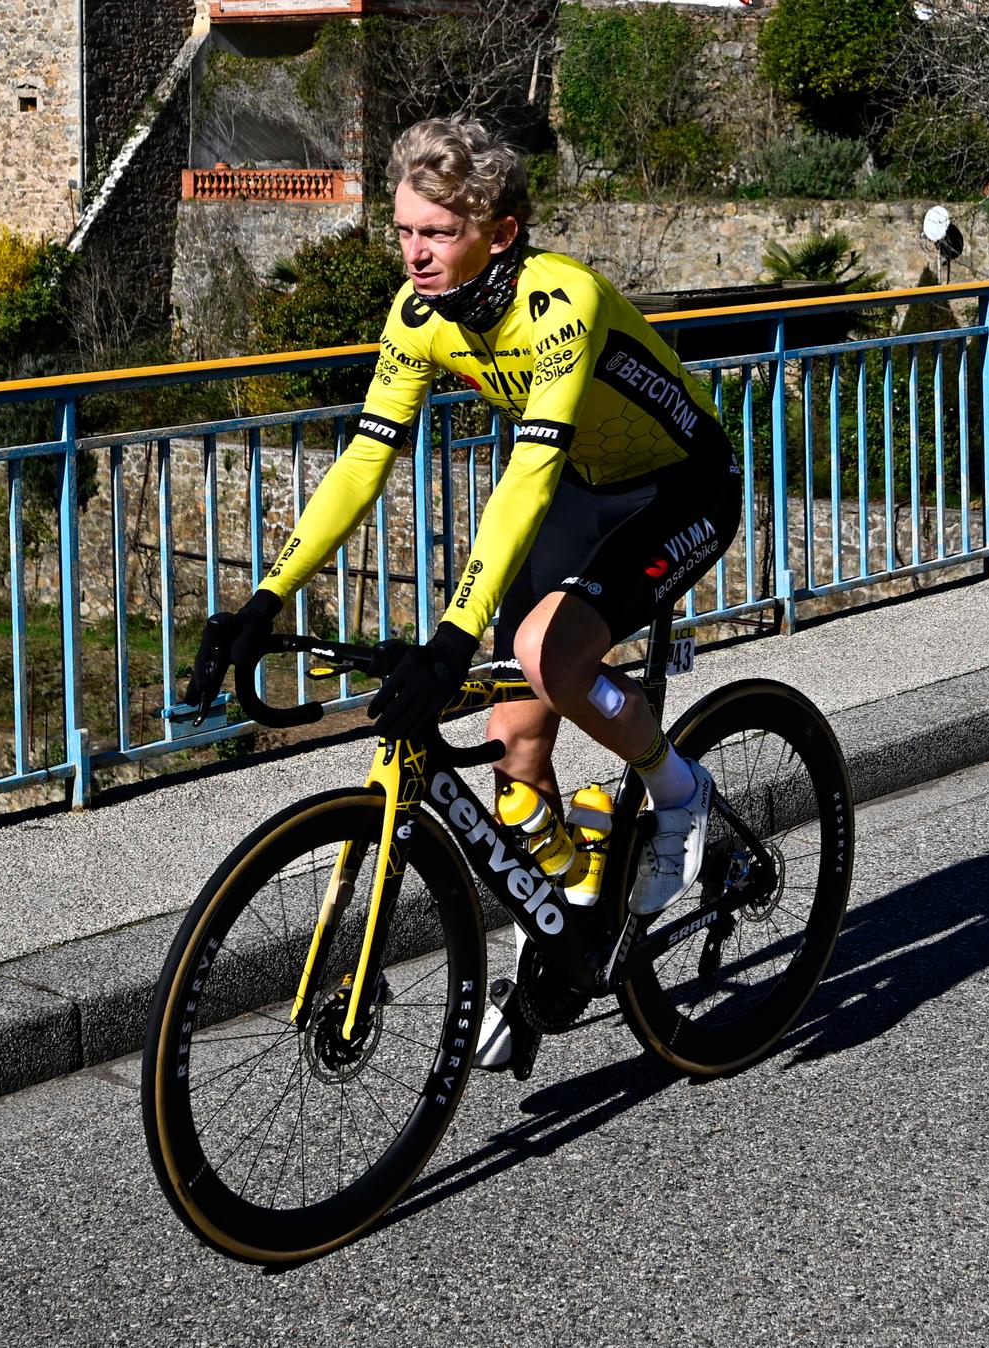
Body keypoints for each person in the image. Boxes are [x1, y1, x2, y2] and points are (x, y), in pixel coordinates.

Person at [180, 117, 743, 1074]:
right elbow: (363, 459)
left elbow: (524, 475)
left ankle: (676, 789)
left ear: (500, 232)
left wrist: (451, 636)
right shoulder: (418, 316)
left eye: (435, 234)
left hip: (675, 486)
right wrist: (264, 600)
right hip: (575, 491)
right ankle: (566, 913)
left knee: (546, 657)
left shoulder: (561, 301)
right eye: (404, 231)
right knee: (513, 741)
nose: (413, 253)